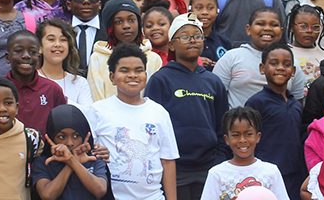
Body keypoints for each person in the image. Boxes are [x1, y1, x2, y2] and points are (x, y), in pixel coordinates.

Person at [145, 12, 229, 200]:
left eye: (197, 36)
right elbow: (151, 126)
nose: (192, 41)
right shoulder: (161, 79)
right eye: (184, 36)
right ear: (172, 44)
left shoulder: (213, 81)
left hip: (209, 167)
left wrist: (220, 158)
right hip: (175, 169)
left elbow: (223, 124)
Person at [86, 43, 179, 200]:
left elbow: (168, 161)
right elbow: (88, 152)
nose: (132, 75)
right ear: (112, 77)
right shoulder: (98, 110)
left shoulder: (159, 113)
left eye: (139, 70)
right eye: (124, 70)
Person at [244, 43, 306, 200]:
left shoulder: (296, 104)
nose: (280, 68)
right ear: (262, 68)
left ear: (293, 71)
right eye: (274, 63)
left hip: (294, 176)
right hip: (265, 175)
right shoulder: (256, 103)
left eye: (286, 64)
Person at [214, 7, 305, 108]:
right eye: (260, 24)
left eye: (274, 25)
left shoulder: (291, 64)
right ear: (249, 29)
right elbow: (216, 97)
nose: (267, 28)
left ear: (281, 31)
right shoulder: (231, 58)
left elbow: (297, 103)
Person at [201, 107, 290, 200]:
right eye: (236, 135)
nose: (242, 140)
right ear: (227, 139)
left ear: (258, 137)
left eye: (248, 134)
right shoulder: (217, 174)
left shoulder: (271, 172)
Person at [86, 0, 163, 101]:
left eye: (131, 20)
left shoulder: (154, 59)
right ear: (110, 27)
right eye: (118, 22)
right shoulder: (97, 58)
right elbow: (96, 98)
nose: (126, 26)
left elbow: (155, 97)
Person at [33, 105, 110, 200]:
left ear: (85, 135)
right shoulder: (43, 162)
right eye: (62, 137)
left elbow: (99, 190)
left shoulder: (94, 158)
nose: (70, 143)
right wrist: (71, 162)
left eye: (76, 136)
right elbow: (48, 195)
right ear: (51, 137)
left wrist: (72, 161)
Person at [37, 19, 94, 106]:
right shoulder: (30, 80)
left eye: (63, 40)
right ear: (39, 47)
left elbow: (89, 114)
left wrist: (62, 99)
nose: (57, 44)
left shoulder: (79, 82)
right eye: (51, 39)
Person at [286, 4, 324, 90]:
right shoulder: (283, 53)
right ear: (292, 27)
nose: (309, 31)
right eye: (303, 26)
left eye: (315, 27)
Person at [188, 0, 232, 68]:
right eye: (199, 8)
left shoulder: (224, 42)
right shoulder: (184, 41)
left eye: (210, 8)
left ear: (217, 11)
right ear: (190, 10)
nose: (205, 12)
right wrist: (195, 62)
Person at [69, 0, 104, 71]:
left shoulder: (110, 31)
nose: (86, 2)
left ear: (99, 4)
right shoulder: (62, 32)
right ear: (69, 4)